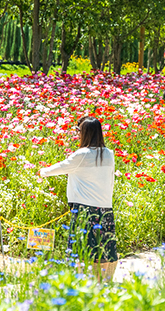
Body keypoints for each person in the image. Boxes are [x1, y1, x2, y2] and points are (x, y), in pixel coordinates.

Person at [39, 116, 117, 281]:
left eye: (78, 131)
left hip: (85, 209)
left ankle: (82, 283)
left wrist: (41, 171)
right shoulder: (109, 154)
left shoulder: (81, 155)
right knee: (102, 250)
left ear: (85, 133)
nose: (77, 135)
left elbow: (58, 168)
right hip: (105, 208)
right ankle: (102, 284)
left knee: (82, 250)